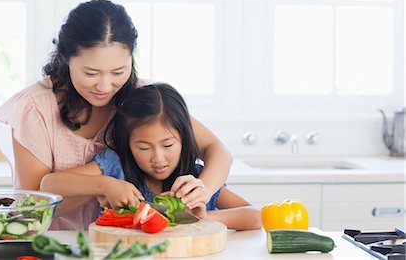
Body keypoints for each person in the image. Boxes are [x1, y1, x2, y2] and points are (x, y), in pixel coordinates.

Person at [0, 0, 233, 230]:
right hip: (55, 242)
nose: (105, 86)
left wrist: (204, 188)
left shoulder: (144, 99)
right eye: (91, 73)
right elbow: (35, 204)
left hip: (125, 245)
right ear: (66, 57)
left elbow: (216, 148)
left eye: (118, 72)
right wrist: (102, 185)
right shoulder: (35, 108)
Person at [41, 83, 261, 230]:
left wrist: (206, 218)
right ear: (127, 142)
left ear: (185, 139)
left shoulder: (194, 180)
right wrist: (104, 185)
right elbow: (48, 184)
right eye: (143, 148)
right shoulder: (115, 167)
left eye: (168, 145)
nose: (158, 158)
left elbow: (255, 216)